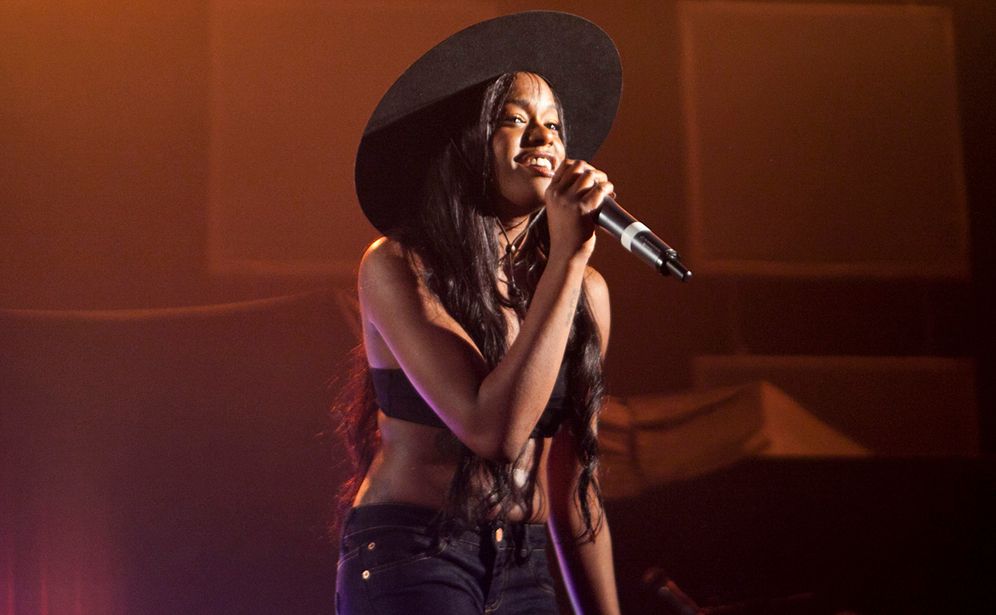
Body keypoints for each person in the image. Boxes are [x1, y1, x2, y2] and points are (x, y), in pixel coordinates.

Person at [334, 12, 623, 615]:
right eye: (515, 120)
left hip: (525, 562)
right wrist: (568, 256)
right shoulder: (397, 266)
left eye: (554, 125)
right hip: (416, 553)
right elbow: (492, 432)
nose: (543, 138)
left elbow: (575, 487)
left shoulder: (583, 291)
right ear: (466, 143)